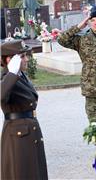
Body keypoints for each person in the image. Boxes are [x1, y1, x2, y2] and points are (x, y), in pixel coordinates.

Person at [1, 40, 48, 179]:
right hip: (17, 135)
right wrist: (12, 73)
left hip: (29, 130)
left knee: (35, 172)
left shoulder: (20, 75)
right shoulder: (6, 78)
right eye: (22, 56)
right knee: (21, 173)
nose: (26, 59)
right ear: (9, 59)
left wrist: (15, 73)